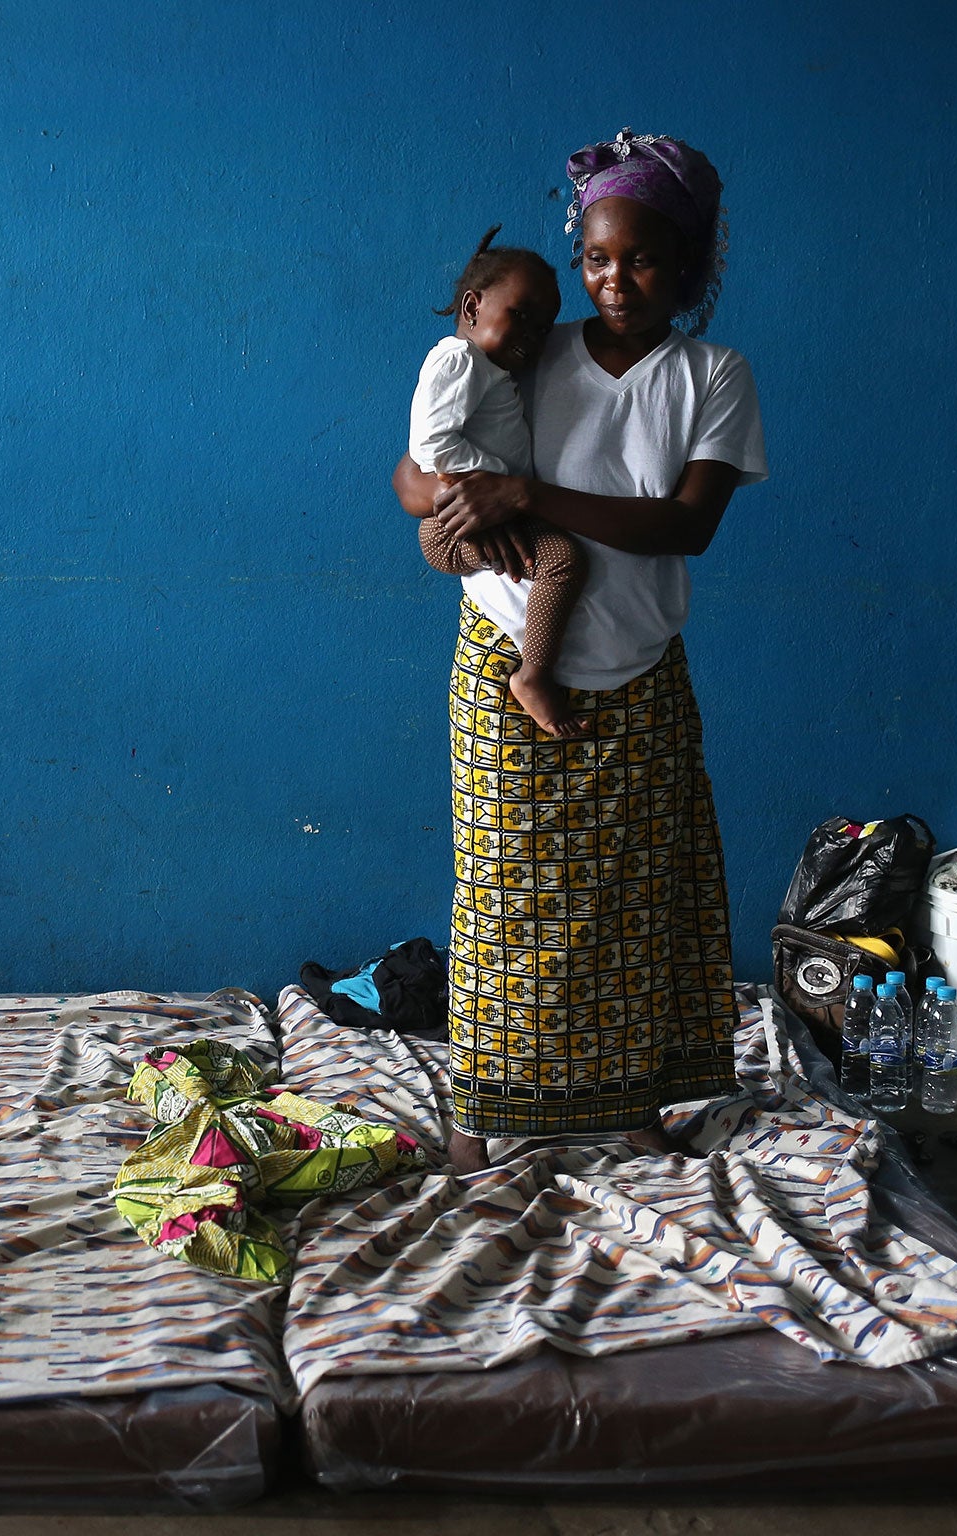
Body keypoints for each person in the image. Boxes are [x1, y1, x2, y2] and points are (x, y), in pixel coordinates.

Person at [391, 129, 767, 1176]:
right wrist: (455, 500)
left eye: (641, 259)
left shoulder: (711, 375)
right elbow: (410, 476)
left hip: (638, 670)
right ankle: (477, 1120)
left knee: (630, 902)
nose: (613, 279)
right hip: (503, 651)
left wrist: (527, 496)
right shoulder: (530, 344)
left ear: (685, 266)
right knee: (503, 897)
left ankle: (634, 1109)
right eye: (597, 258)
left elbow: (685, 525)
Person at [409, 229, 585, 738]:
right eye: (520, 314)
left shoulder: (489, 371)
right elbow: (431, 446)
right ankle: (533, 675)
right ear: (472, 306)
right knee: (562, 561)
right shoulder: (457, 361)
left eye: (544, 326)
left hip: (477, 512)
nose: (533, 334)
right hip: (452, 525)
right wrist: (500, 487)